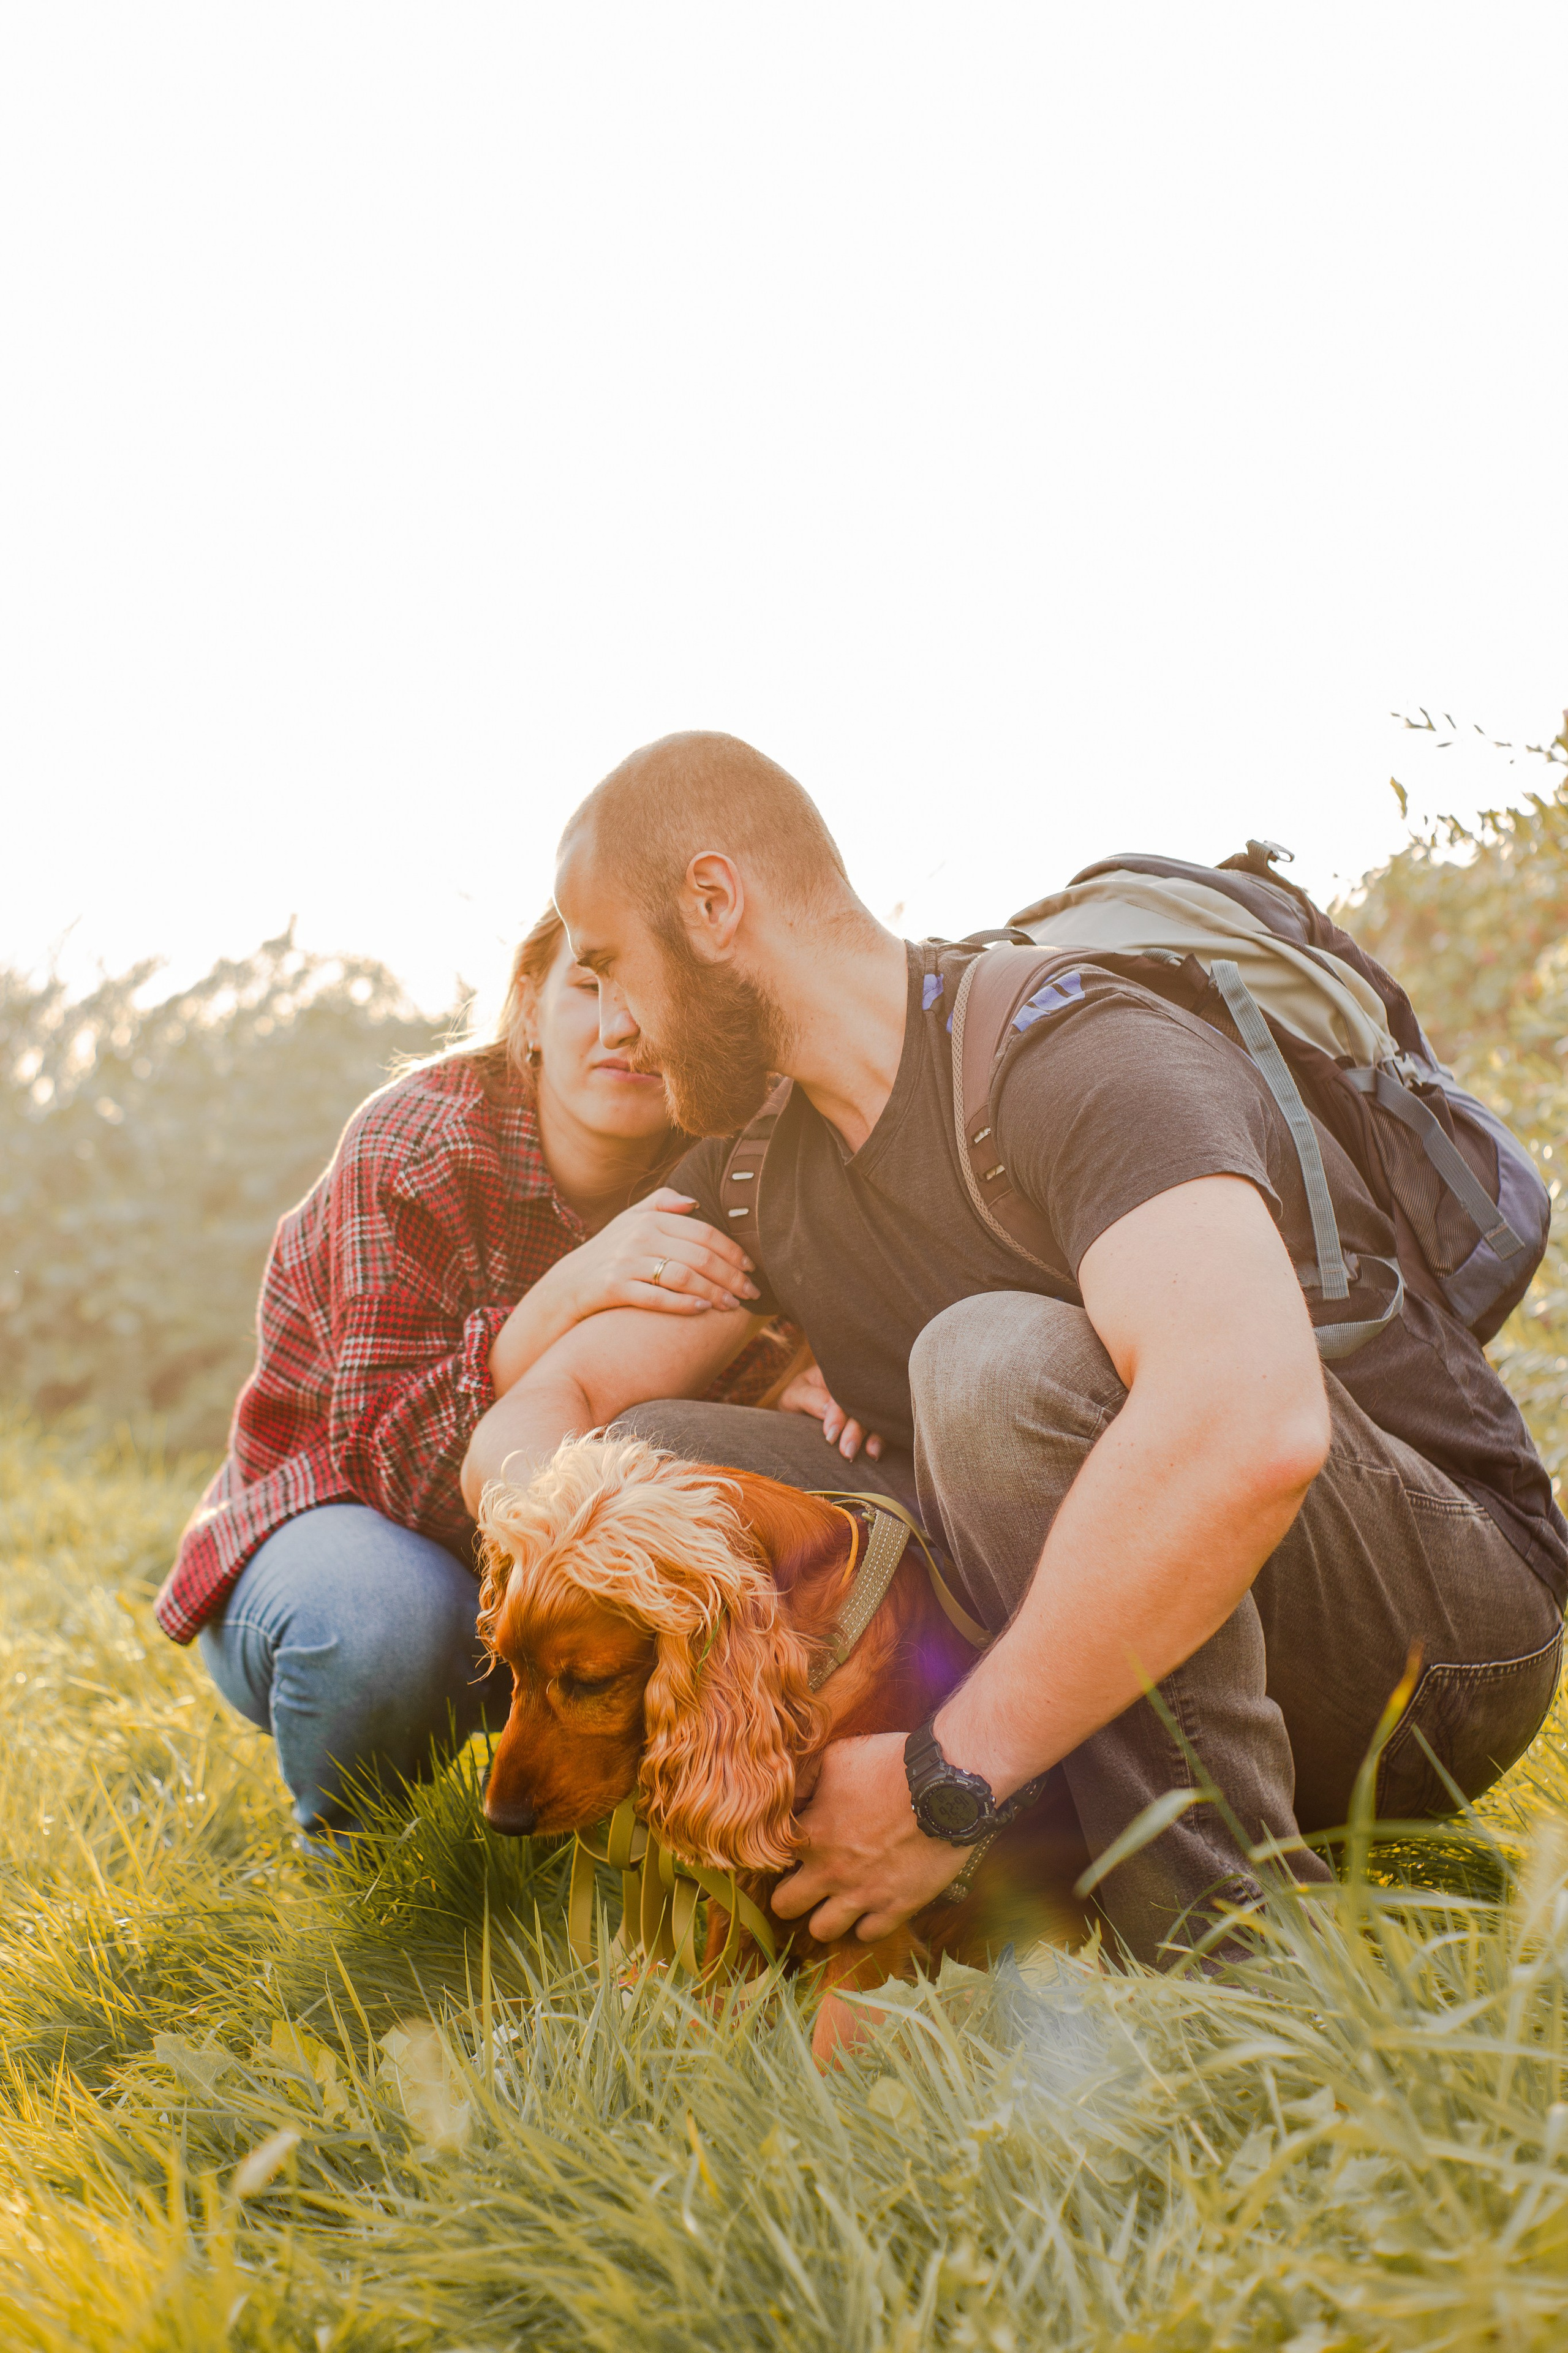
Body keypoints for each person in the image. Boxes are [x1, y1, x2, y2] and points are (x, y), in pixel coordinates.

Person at [461, 731, 1566, 1969]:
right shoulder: (762, 1155)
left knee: (989, 1366)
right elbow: (559, 1399)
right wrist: (574, 1535)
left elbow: (1250, 1426)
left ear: (713, 904)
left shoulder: (1072, 1049)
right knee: (655, 1464)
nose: (615, 1025)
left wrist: (947, 1777)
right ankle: (859, 1920)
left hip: (1432, 1639)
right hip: (1138, 1643)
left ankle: (1230, 1959)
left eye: (610, 966)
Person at [156, 905, 850, 1840]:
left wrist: (801, 1380)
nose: (624, 1027)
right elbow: (398, 1471)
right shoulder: (415, 1144)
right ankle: (359, 1858)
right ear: (528, 1004)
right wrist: (564, 1292)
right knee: (390, 1617)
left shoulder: (744, 1159)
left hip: (566, 1612)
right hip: (348, 1546)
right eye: (588, 987)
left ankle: (678, 1836)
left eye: (662, 994)